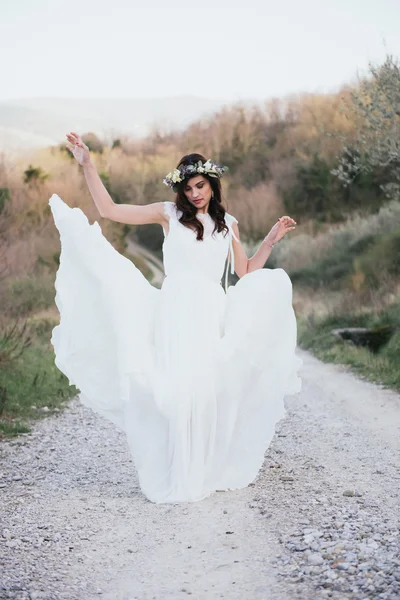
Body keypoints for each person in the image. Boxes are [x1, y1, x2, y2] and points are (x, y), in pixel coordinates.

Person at [49, 131, 303, 504]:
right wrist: (89, 166)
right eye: (187, 188)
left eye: (200, 185)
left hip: (210, 310)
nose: (194, 193)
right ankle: (177, 468)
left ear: (212, 185)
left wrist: (270, 239)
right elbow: (110, 211)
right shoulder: (168, 215)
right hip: (175, 308)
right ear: (180, 192)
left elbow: (245, 271)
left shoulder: (228, 223)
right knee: (175, 386)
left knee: (205, 387)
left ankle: (203, 466)